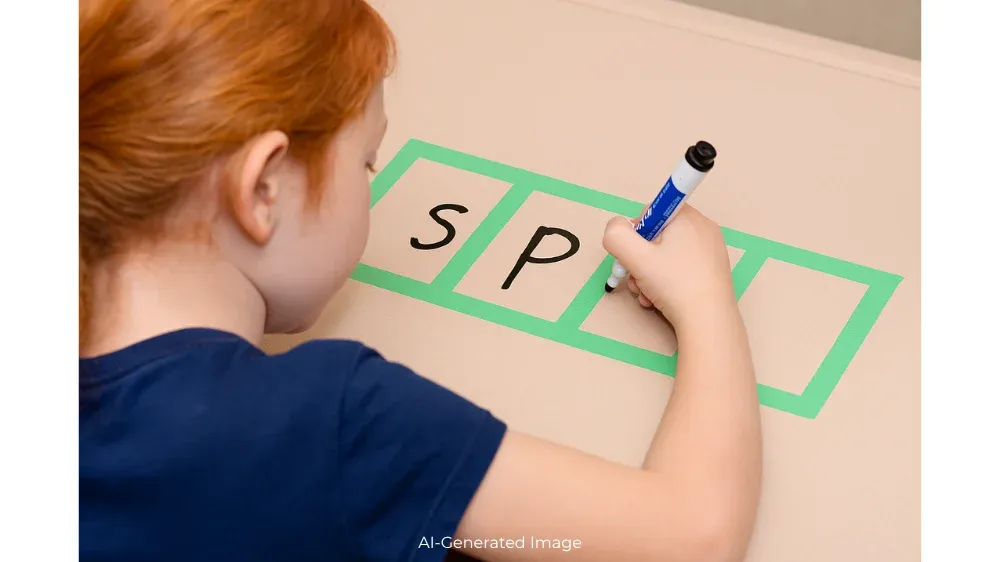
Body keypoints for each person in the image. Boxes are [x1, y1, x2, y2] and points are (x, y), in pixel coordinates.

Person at [79, 0, 763, 560]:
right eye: (367, 163)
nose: (371, 184)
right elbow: (691, 539)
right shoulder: (337, 421)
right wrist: (706, 301)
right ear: (263, 190)